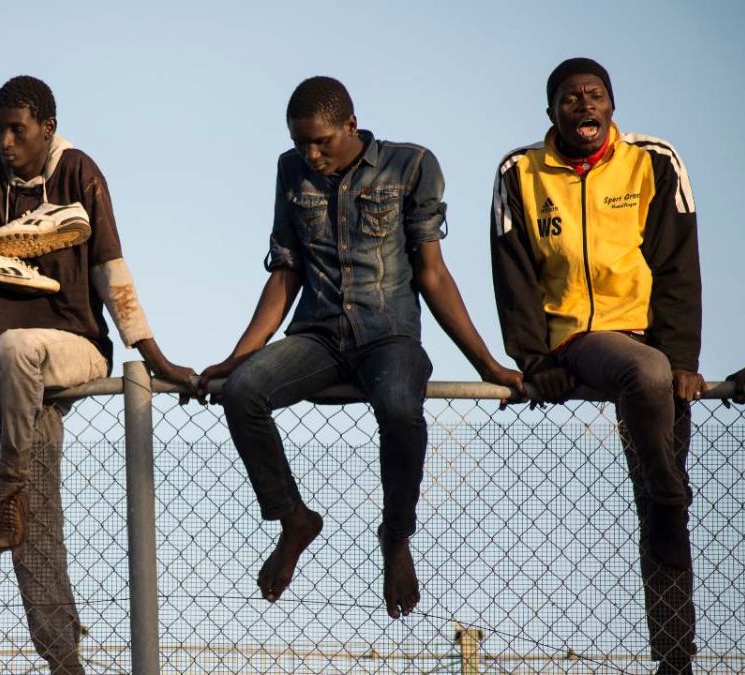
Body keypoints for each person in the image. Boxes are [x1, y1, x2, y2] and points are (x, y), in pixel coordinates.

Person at [198, 76, 523, 620]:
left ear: (351, 124)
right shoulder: (290, 170)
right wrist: (238, 357)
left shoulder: (411, 165)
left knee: (399, 408)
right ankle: (294, 519)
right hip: (318, 336)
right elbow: (285, 272)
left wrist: (487, 364)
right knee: (243, 390)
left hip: (389, 335)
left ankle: (396, 535)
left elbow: (433, 274)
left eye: (321, 141)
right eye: (301, 142)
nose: (311, 153)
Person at [0, 75, 194, 675]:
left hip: (75, 347)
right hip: (13, 373)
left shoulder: (79, 171)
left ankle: (8, 483)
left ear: (47, 127)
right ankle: (61, 656)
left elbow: (111, 271)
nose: (5, 141)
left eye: (17, 129)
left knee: (17, 346)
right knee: (36, 520)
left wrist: (155, 357)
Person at [490, 57, 702, 674]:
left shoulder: (653, 161)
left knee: (660, 517)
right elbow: (513, 276)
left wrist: (683, 359)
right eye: (570, 98)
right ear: (551, 111)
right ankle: (669, 491)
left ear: (612, 105)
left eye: (595, 95)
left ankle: (674, 661)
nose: (584, 105)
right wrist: (534, 360)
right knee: (660, 448)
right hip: (576, 342)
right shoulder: (519, 172)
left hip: (648, 343)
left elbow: (677, 265)